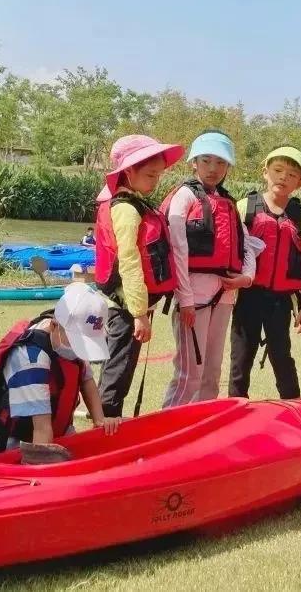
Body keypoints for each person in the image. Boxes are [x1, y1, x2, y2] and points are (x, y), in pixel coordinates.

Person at [159, 131, 257, 407]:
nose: (213, 168)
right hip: (193, 294)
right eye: (206, 160)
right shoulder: (184, 196)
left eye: (221, 162)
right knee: (190, 373)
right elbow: (177, 247)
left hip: (225, 294)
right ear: (194, 162)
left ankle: (203, 426)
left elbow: (247, 244)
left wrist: (246, 278)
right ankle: (170, 427)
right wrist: (186, 299)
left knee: (213, 372)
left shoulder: (227, 202)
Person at [93, 134, 183, 418]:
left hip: (128, 307)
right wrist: (139, 312)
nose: (154, 181)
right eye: (149, 175)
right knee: (116, 375)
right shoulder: (126, 210)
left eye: (158, 175)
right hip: (124, 309)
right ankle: (105, 432)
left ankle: (109, 426)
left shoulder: (133, 203)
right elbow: (129, 262)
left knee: (119, 372)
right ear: (128, 172)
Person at [0, 283, 120, 461]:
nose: (80, 351)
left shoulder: (66, 341)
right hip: (16, 446)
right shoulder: (31, 359)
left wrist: (99, 419)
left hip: (57, 435)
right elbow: (42, 431)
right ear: (54, 325)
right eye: (78, 342)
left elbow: (85, 378)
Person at [228, 146, 301, 400]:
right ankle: (235, 411)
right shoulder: (245, 207)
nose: (283, 177)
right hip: (247, 297)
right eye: (278, 170)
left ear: (299, 183)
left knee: (282, 358)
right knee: (241, 359)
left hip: (281, 301)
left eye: (291, 175)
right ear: (265, 172)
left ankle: (295, 410)